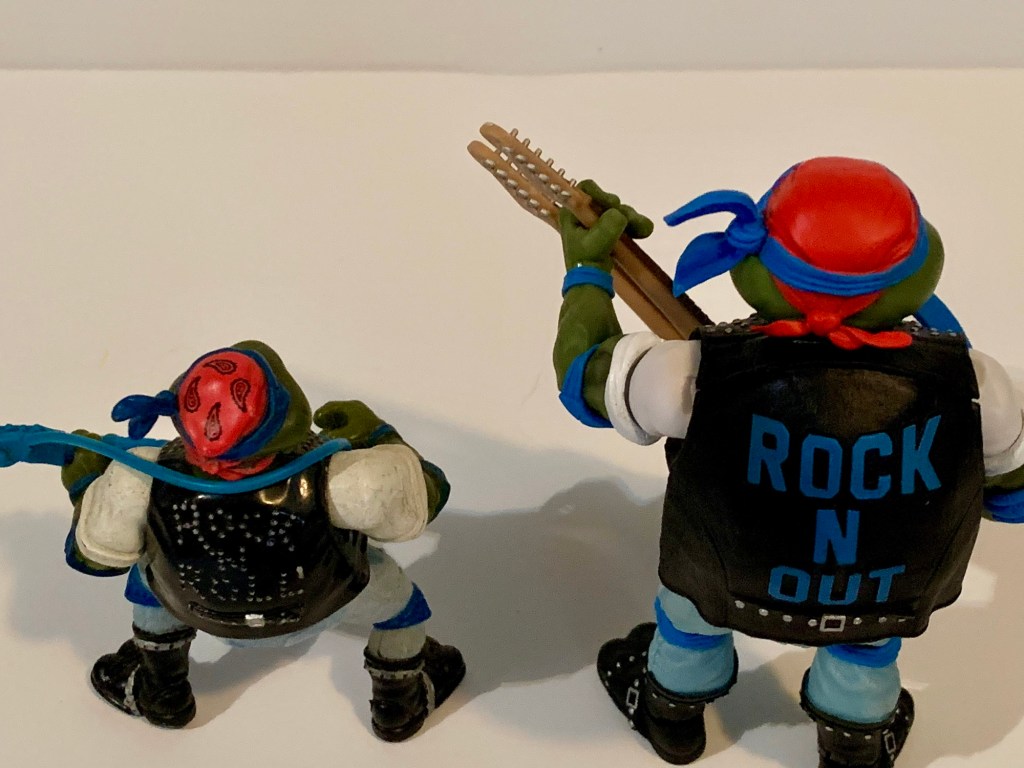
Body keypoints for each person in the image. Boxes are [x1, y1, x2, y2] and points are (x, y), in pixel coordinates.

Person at [550, 158, 1024, 766]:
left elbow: (583, 375)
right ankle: (854, 746)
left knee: (691, 617)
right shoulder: (979, 386)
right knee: (866, 646)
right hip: (880, 588)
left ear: (757, 267)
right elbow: (1010, 495)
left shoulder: (689, 375)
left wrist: (587, 271)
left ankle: (671, 715)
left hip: (728, 573)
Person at [41, 340, 463, 740]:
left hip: (192, 609)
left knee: (145, 578)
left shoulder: (139, 479)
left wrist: (85, 484)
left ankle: (161, 690)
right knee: (402, 610)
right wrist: (379, 436)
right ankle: (398, 703)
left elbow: (94, 558)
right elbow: (427, 498)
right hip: (329, 605)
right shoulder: (346, 479)